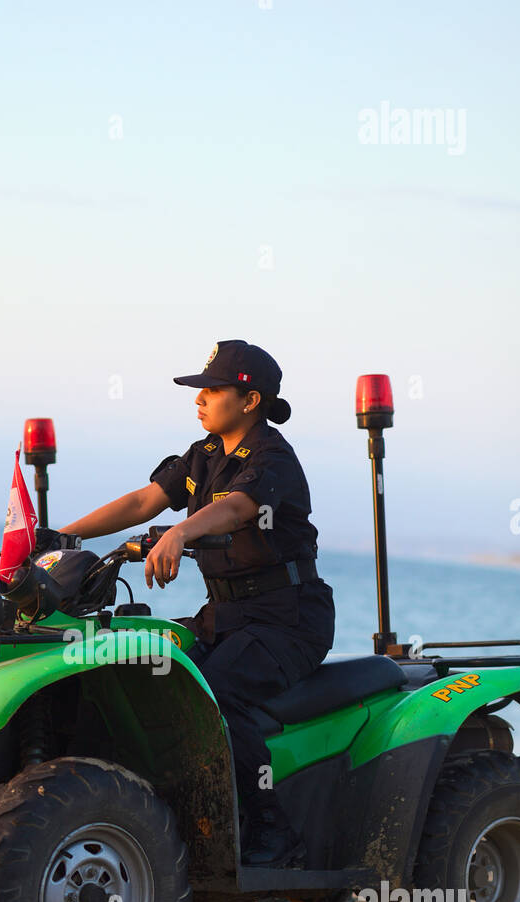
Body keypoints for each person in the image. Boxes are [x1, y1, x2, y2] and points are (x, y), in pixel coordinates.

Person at [60, 339, 335, 867]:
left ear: (249, 400)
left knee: (215, 697)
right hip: (226, 617)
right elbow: (143, 502)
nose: (199, 399)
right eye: (199, 390)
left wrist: (180, 532)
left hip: (287, 621)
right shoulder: (203, 456)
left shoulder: (273, 458)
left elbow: (236, 509)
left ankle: (276, 836)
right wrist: (63, 537)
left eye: (212, 389)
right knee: (148, 676)